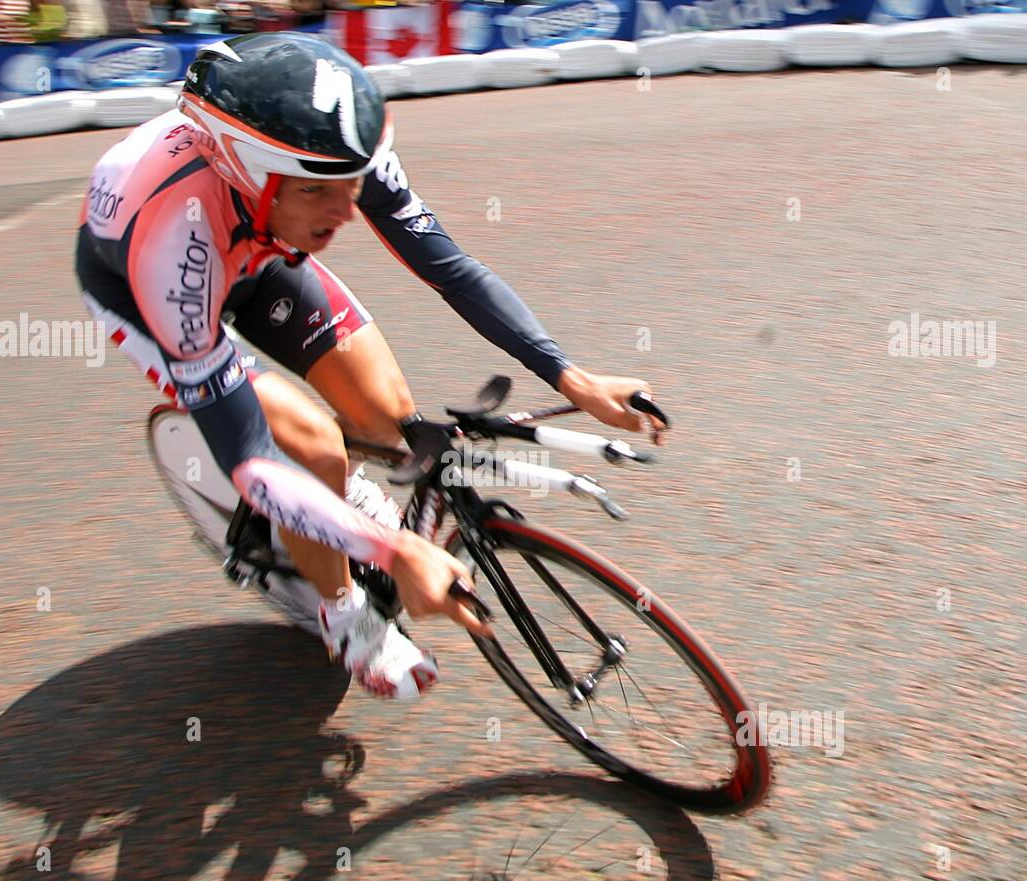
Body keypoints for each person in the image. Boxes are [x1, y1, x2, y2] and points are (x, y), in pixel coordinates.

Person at [75, 32, 663, 699]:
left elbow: (453, 271)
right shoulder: (173, 249)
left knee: (387, 418)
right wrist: (397, 551)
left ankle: (338, 510)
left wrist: (572, 377)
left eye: (352, 181)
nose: (349, 209)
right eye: (320, 192)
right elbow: (250, 459)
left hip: (259, 251)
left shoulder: (330, 157)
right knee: (315, 452)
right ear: (252, 174)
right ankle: (342, 611)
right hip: (151, 288)